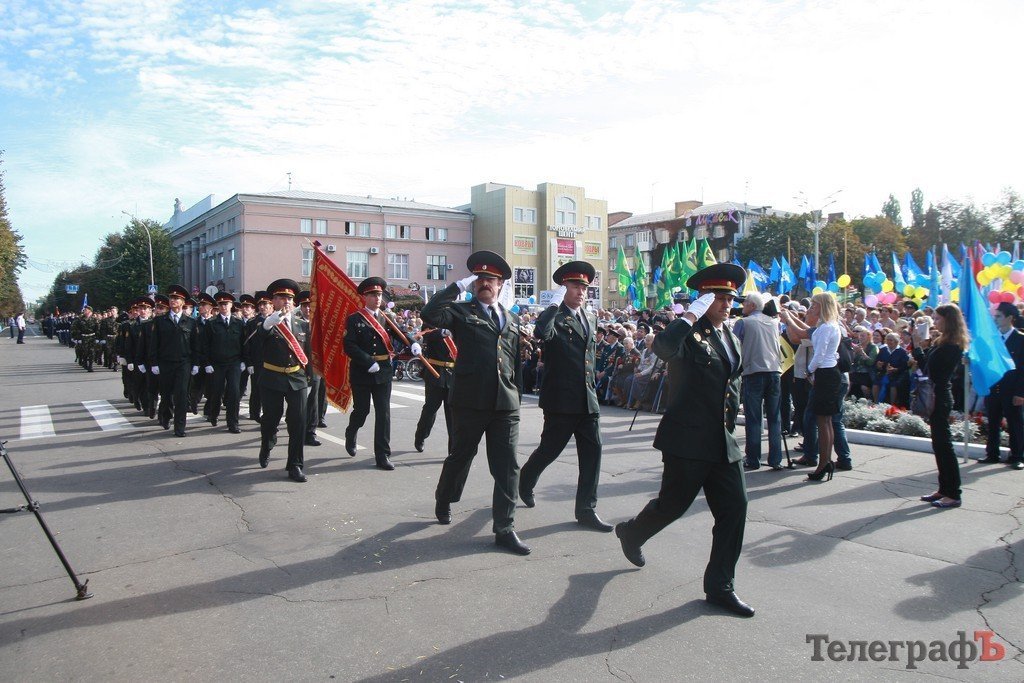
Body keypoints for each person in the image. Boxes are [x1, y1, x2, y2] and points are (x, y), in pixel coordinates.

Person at [614, 263, 755, 617]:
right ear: (704, 301)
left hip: (722, 441)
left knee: (735, 509)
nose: (726, 304)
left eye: (729, 298)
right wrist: (688, 315)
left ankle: (720, 586)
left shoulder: (731, 337)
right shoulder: (689, 336)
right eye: (719, 298)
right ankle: (633, 532)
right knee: (672, 505)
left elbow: (731, 385)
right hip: (688, 440)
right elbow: (662, 347)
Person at [422, 250, 529, 556]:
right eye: (480, 279)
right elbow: (430, 314)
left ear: (500, 284)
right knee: (460, 456)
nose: (485, 284)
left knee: (507, 466)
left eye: (491, 279)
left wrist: (517, 395)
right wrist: (456, 287)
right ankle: (445, 497)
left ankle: (505, 528)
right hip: (469, 400)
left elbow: (513, 363)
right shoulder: (461, 311)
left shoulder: (512, 318)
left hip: (504, 404)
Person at [519, 261, 612, 532]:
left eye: (584, 286)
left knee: (593, 453)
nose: (581, 291)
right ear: (564, 288)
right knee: (550, 450)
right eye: (575, 285)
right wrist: (553, 304)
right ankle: (525, 479)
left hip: (586, 399)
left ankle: (586, 510)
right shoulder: (555, 316)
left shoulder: (590, 317)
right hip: (561, 399)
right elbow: (541, 333)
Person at [343, 277, 417, 471]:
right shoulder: (354, 319)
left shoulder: (387, 318)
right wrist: (367, 361)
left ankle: (382, 454)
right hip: (362, 371)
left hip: (383, 371)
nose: (377, 298)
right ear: (365, 297)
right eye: (373, 295)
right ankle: (351, 432)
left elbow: (400, 333)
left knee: (383, 413)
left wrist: (413, 343)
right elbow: (349, 345)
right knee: (362, 410)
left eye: (379, 295)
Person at [257, 279, 312, 482]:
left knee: (298, 421)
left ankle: (295, 465)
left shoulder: (301, 324)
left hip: (296, 377)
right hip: (272, 377)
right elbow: (256, 344)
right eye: (281, 297)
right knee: (271, 419)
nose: (286, 301)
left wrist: (310, 376)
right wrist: (266, 325)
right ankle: (267, 444)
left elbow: (308, 352)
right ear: (273, 301)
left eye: (289, 298)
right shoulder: (265, 323)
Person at [921, 305, 971, 507]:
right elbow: (925, 365)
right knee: (938, 445)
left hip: (940, 395)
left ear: (948, 320)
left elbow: (933, 368)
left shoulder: (952, 345)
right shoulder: (943, 341)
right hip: (937, 393)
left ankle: (953, 493)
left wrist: (920, 346)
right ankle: (944, 488)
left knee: (944, 445)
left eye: (938, 318)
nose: (935, 321)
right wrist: (921, 345)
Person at [734, 292, 783, 471]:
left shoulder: (743, 323)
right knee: (774, 418)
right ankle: (775, 458)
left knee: (754, 418)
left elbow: (733, 346)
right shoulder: (774, 322)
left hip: (753, 372)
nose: (743, 306)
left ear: (752, 305)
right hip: (774, 372)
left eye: (745, 303)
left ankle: (753, 459)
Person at [148, 285, 201, 437]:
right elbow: (154, 344)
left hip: (184, 363)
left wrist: (196, 363)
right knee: (165, 394)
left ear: (183, 302)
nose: (173, 301)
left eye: (176, 298)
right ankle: (165, 416)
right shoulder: (159, 321)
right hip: (165, 363)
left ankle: (180, 427)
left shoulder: (190, 322)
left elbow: (196, 344)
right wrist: (154, 363)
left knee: (182, 395)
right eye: (171, 298)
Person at [804, 293, 843, 482]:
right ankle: (825, 461)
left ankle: (824, 462)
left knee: (823, 421)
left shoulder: (827, 327)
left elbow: (819, 355)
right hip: (828, 372)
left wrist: (809, 371)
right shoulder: (829, 326)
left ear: (823, 306)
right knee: (825, 421)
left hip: (825, 373)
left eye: (814, 305)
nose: (811, 308)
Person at [982, 301, 1024, 469]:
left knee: (1015, 423)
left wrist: (1021, 393)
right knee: (992, 422)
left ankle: (1017, 456)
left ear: (1010, 318)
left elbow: (1022, 369)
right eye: (995, 316)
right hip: (994, 387)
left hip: (1012, 389)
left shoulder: (1020, 340)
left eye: (999, 316)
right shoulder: (993, 339)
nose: (996, 319)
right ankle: (992, 453)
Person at [201, 291, 246, 434]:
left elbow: (244, 344)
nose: (224, 307)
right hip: (217, 363)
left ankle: (233, 423)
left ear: (231, 305)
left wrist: (244, 361)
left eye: (226, 304)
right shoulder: (211, 323)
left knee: (234, 393)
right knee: (216, 392)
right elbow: (205, 345)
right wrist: (207, 363)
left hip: (234, 363)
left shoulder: (238, 323)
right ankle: (213, 414)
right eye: (221, 304)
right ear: (218, 306)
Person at [413, 326, 457, 454]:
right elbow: (416, 337)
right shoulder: (432, 326)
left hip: (452, 375)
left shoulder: (458, 325)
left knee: (452, 415)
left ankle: (452, 450)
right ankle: (420, 436)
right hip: (435, 373)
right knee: (430, 410)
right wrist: (440, 333)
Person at [244, 291, 272, 422]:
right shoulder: (252, 323)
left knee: (271, 390)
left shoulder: (276, 320)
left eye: (265, 304)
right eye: (260, 304)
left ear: (271, 305)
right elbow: (247, 344)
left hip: (272, 361)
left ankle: (268, 413)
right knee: (256, 389)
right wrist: (248, 362)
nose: (262, 307)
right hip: (257, 361)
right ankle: (254, 413)